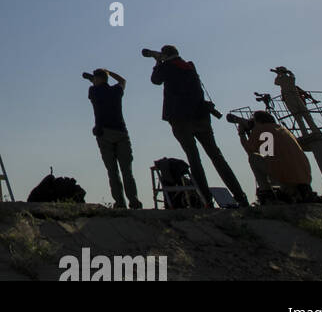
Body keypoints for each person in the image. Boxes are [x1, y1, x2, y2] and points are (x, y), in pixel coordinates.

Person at [148, 45, 248, 207]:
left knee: (194, 159)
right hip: (201, 117)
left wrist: (158, 62)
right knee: (217, 157)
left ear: (165, 54)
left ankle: (205, 199)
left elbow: (155, 80)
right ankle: (240, 196)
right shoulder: (189, 66)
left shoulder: (167, 66)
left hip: (181, 119)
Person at [85, 69, 141, 209]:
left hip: (104, 135)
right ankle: (134, 200)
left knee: (112, 171)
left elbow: (95, 84)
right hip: (121, 133)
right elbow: (123, 81)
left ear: (97, 79)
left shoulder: (94, 92)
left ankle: (120, 202)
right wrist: (109, 72)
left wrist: (92, 79)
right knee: (127, 170)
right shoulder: (116, 91)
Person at [240, 110, 313, 202]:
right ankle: (290, 191)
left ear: (257, 121)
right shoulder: (283, 130)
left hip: (285, 176)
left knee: (253, 158)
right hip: (304, 177)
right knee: (271, 159)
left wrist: (241, 134)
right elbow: (269, 154)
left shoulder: (260, 130)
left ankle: (266, 191)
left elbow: (250, 150)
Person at [273, 67, 320, 136]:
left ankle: (304, 133)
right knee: (306, 114)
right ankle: (315, 130)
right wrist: (288, 72)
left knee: (298, 116)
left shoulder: (281, 79)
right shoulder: (291, 78)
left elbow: (276, 82)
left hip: (289, 98)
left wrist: (278, 74)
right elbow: (292, 76)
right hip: (296, 97)